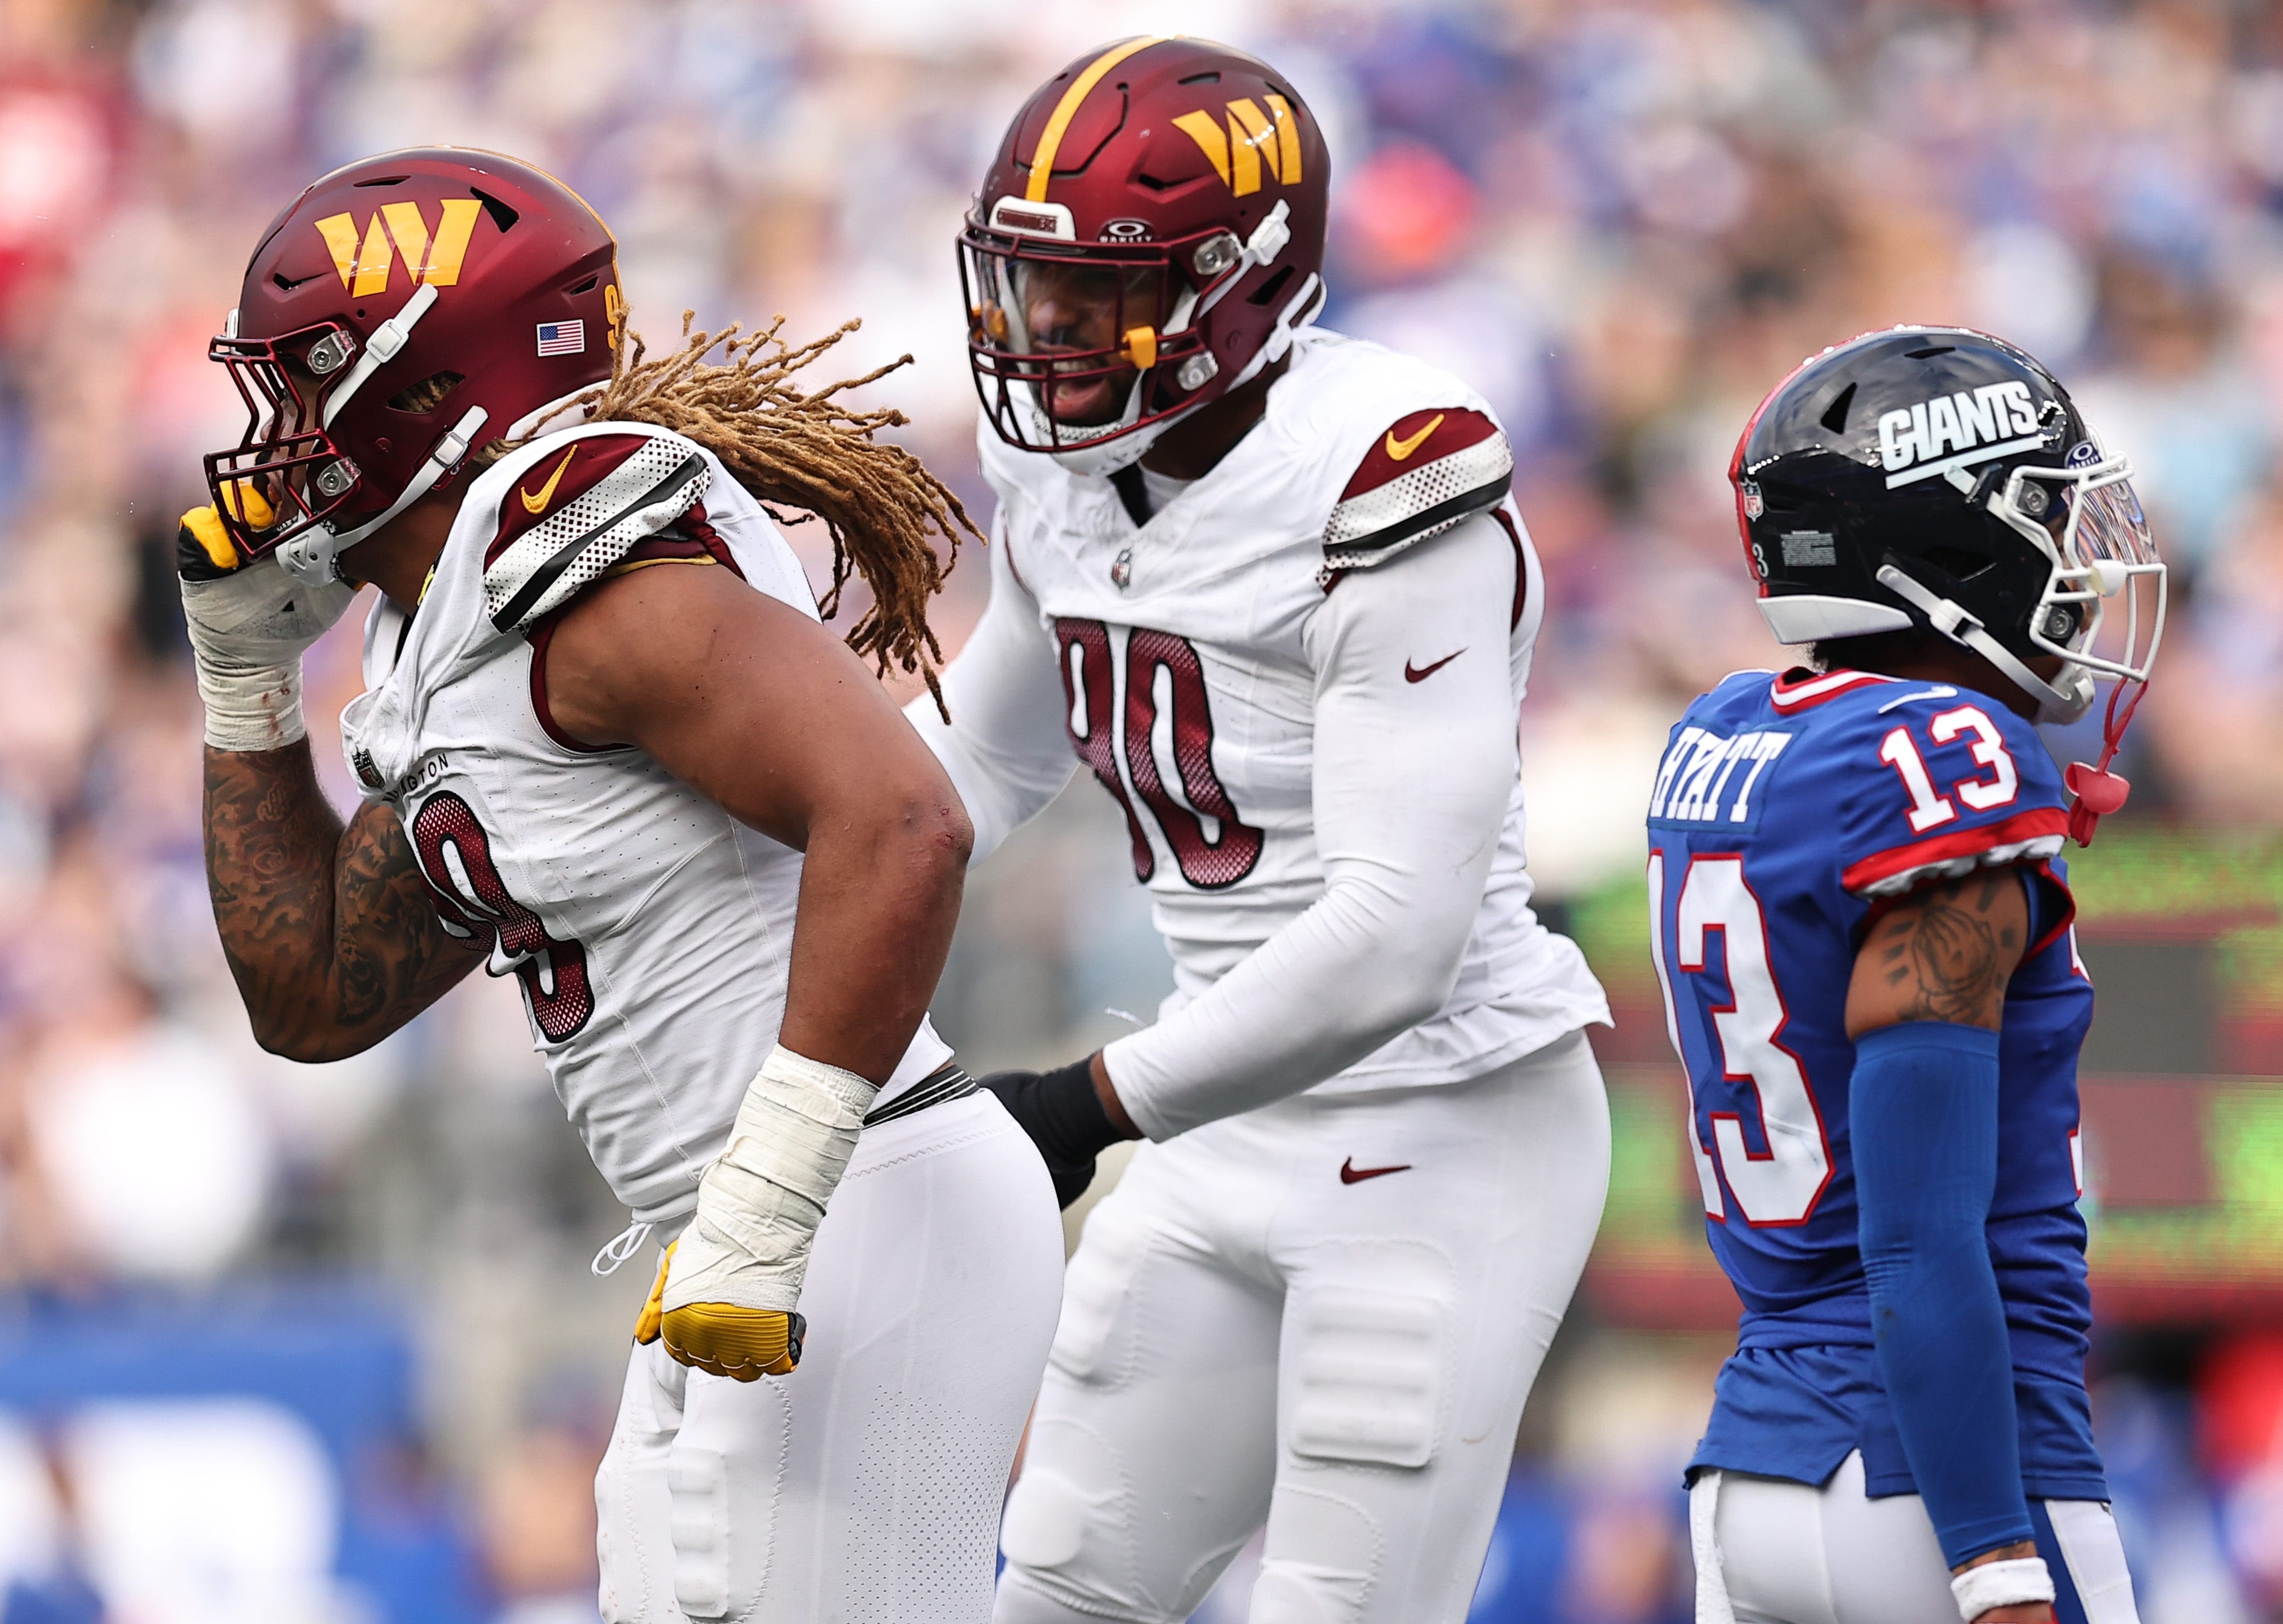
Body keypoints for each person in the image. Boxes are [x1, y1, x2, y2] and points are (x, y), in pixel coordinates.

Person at [181, 147, 1061, 1623]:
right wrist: (243, 682)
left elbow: (905, 822)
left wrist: (769, 1203)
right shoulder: (458, 629)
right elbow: (315, 995)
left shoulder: (588, 581)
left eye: (304, 393)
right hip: (754, 1220)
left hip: (848, 1200)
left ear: (421, 391)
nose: (276, 444)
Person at [909, 39, 1614, 1623]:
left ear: (1241, 285)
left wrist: (1088, 1101)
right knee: (1064, 1593)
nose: (1052, 335)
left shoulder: (1386, 472)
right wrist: (760, 862)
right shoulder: (1063, 472)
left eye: (1103, 295)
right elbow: (972, 764)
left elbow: (1393, 935)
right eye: (1034, 289)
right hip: (1219, 1110)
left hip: (1444, 1115)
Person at [1653, 327, 2161, 1624]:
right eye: (2044, 515)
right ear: (1947, 549)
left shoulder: (1731, 731)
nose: (2077, 563)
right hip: (1946, 1478)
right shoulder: (1948, 753)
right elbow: (1919, 1229)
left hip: (1752, 1469)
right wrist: (1995, 1562)